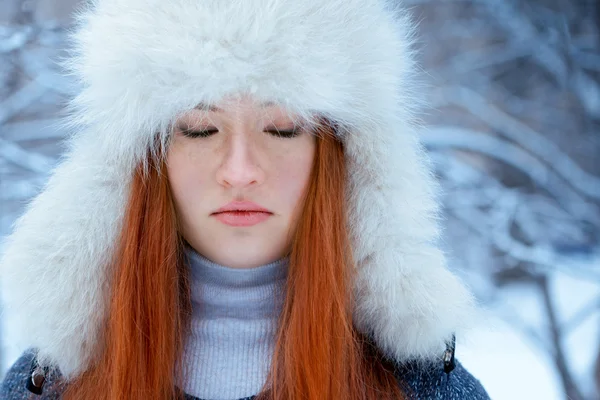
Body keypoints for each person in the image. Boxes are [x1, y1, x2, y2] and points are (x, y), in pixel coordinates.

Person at [0, 0, 491, 399]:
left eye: (281, 128)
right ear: (141, 163)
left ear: (345, 158)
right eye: (200, 129)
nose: (240, 172)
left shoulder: (425, 388)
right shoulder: (48, 386)